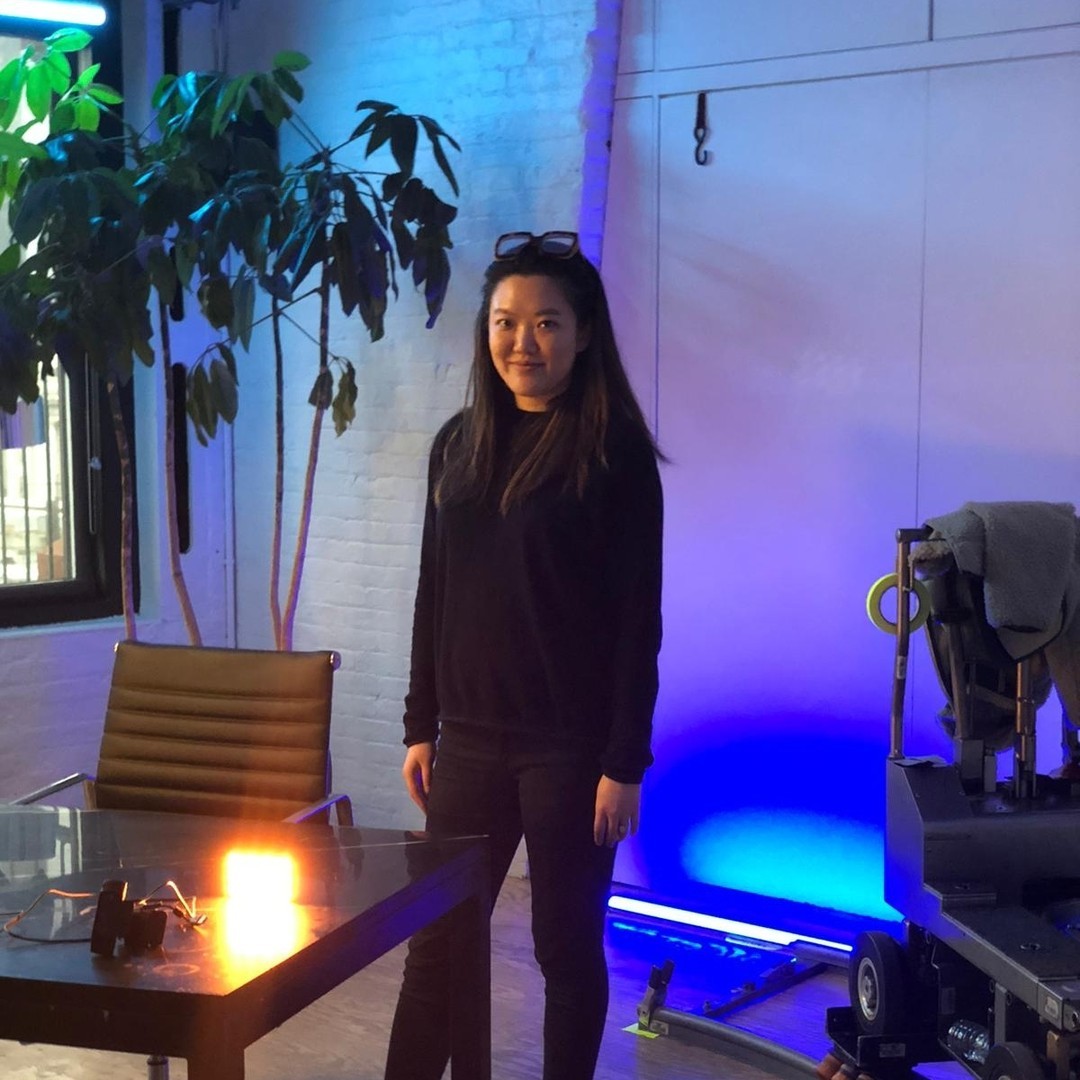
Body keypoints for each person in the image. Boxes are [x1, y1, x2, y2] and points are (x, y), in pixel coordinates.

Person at [384, 229, 664, 1080]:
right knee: (437, 947)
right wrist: (420, 724)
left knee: (564, 948)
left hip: (569, 751)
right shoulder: (457, 444)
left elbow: (638, 623)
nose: (522, 342)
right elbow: (434, 593)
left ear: (583, 334)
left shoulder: (615, 457)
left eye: (546, 323)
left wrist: (624, 763)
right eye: (505, 321)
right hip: (467, 740)